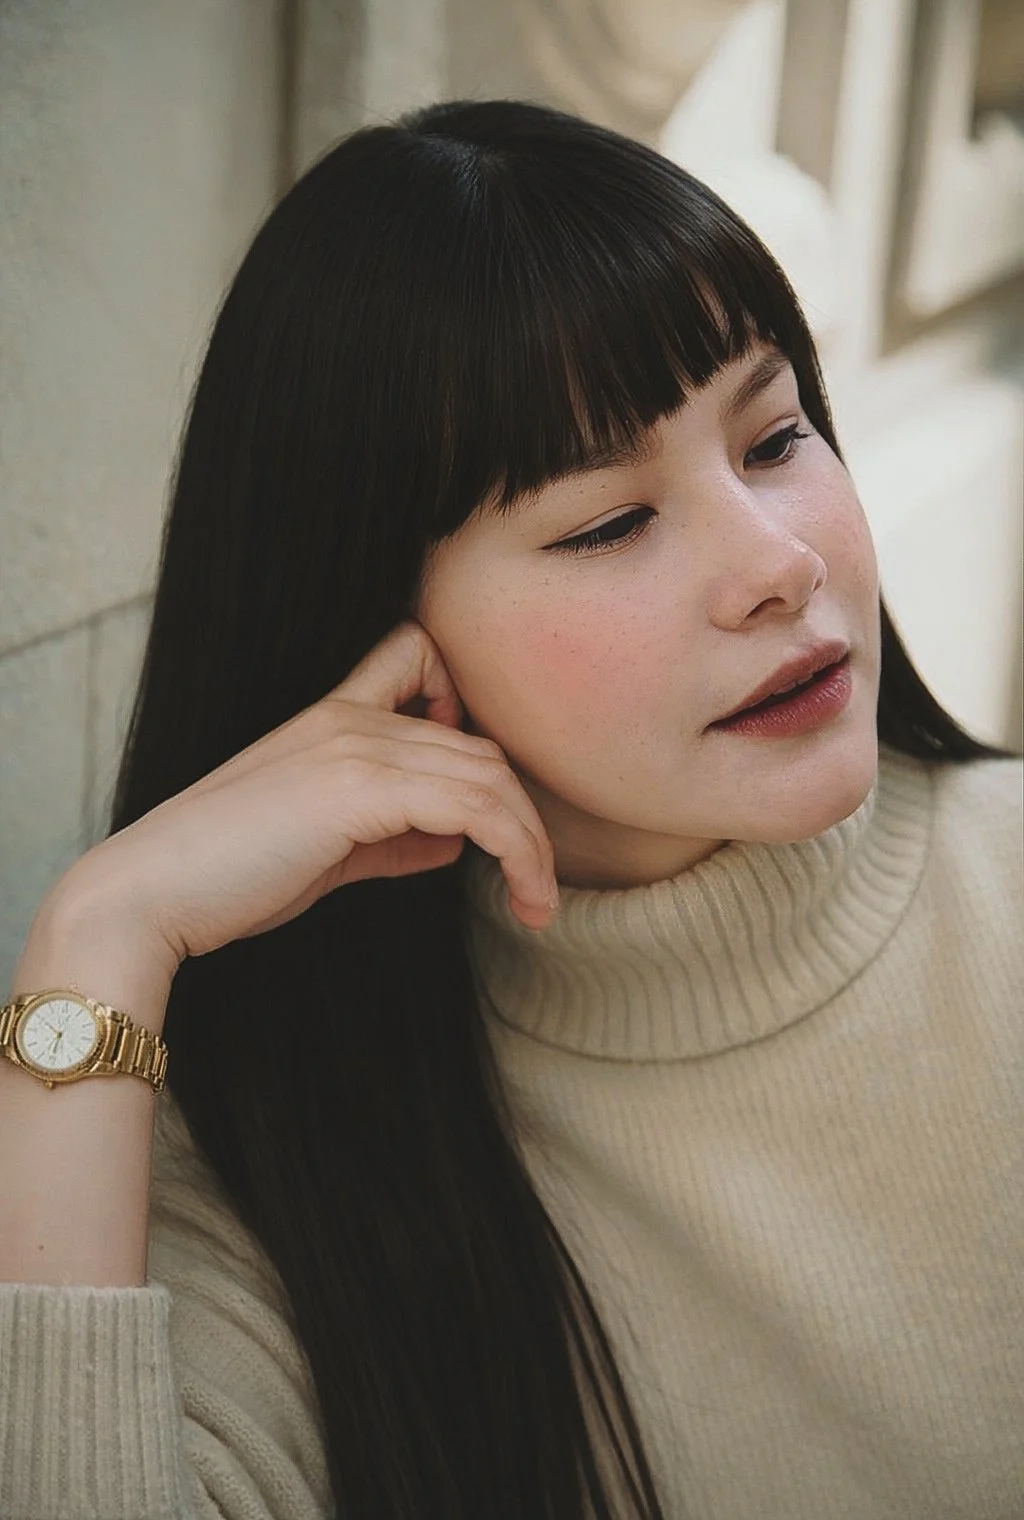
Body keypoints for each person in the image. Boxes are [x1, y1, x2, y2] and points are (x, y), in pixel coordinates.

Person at [1, 98, 1021, 1520]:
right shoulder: (278, 1169)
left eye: (775, 437)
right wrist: (97, 937)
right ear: (380, 626)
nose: (777, 563)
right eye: (609, 522)